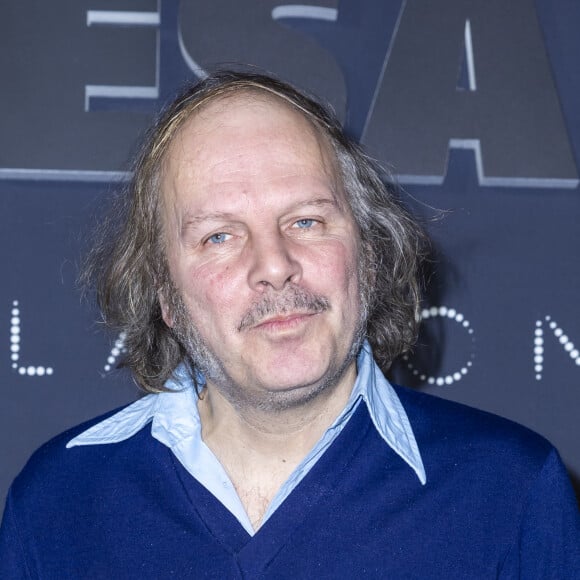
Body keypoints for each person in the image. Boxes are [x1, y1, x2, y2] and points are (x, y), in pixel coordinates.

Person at [0, 70, 578, 579]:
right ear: (166, 297)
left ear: (369, 259)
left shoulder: (512, 493)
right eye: (218, 236)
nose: (274, 266)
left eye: (305, 221)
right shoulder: (57, 502)